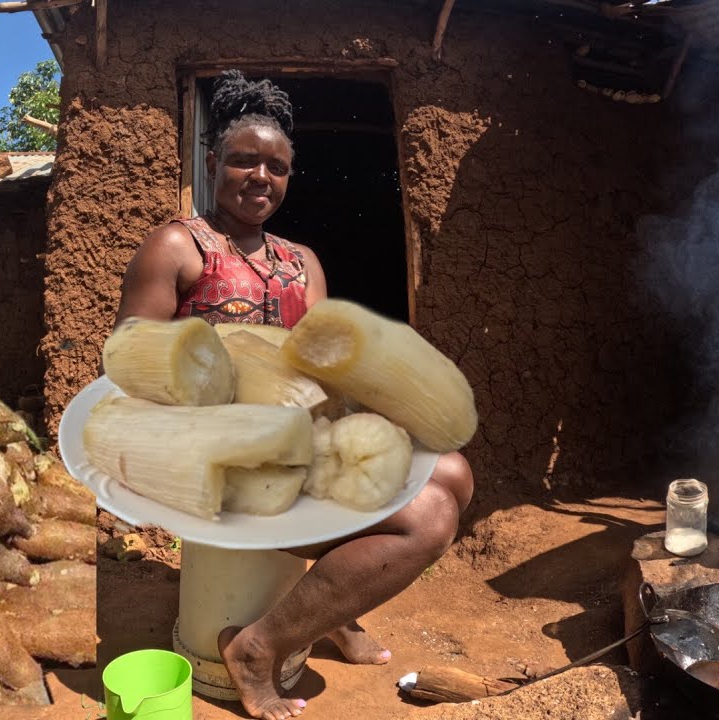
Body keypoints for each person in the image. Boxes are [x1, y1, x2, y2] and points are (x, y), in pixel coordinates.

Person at [113, 70, 475, 720]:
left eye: (276, 166)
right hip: (220, 462)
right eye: (245, 160)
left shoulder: (300, 261)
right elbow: (132, 369)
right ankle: (262, 646)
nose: (261, 177)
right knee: (428, 519)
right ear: (211, 160)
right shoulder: (177, 247)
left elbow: (323, 371)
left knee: (453, 472)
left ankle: (334, 608)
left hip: (294, 447)